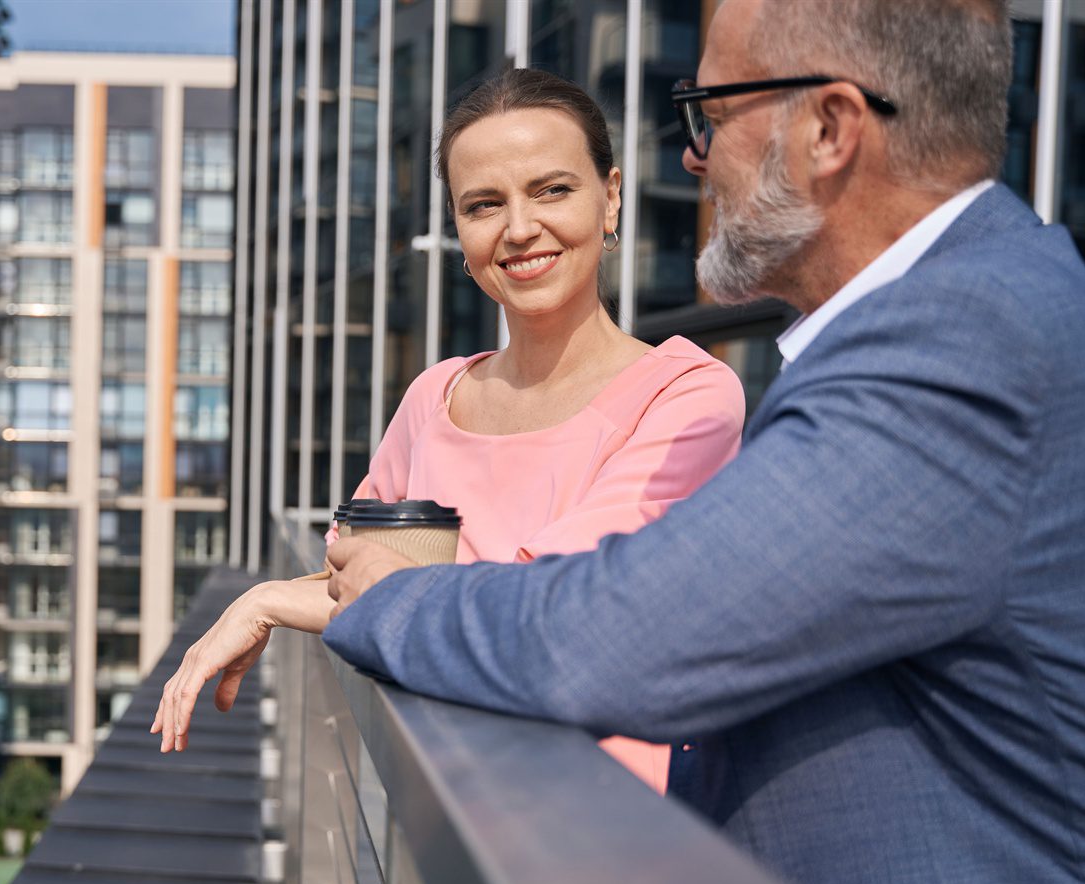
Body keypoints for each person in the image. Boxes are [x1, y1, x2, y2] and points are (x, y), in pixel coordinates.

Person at [322, 0, 1085, 884]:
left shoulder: (961, 343)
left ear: (830, 128)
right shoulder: (954, 320)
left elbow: (620, 638)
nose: (694, 154)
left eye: (709, 109)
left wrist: (394, 596)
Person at [152, 71, 744, 793]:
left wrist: (384, 587)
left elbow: (550, 608)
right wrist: (267, 597)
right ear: (461, 232)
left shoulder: (686, 398)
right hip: (442, 806)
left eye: (552, 189)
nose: (519, 228)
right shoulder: (438, 395)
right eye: (484, 204)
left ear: (611, 195)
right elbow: (357, 580)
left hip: (598, 824)